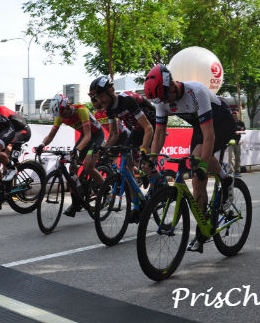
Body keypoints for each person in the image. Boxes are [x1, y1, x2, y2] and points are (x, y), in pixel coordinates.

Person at [144, 64, 237, 252]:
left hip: (221, 122)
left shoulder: (196, 92)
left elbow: (209, 135)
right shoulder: (161, 99)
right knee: (197, 173)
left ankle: (225, 180)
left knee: (198, 168)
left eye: (166, 97)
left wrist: (202, 166)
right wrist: (151, 161)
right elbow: (159, 134)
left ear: (172, 85)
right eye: (161, 100)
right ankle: (204, 226)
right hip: (200, 125)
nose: (166, 103)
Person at [89, 75, 157, 222]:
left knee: (147, 163)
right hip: (137, 129)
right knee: (126, 166)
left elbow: (148, 128)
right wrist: (103, 149)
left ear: (111, 91)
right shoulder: (109, 109)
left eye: (101, 96)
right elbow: (113, 134)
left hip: (152, 126)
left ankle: (159, 185)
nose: (100, 101)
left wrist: (144, 149)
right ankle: (138, 204)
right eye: (97, 98)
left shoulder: (127, 101)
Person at [36, 93, 106, 217]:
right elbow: (51, 136)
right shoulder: (60, 116)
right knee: (72, 169)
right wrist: (42, 145)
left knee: (88, 165)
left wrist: (77, 150)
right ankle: (76, 202)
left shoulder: (81, 110)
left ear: (68, 106)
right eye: (60, 115)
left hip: (96, 135)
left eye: (63, 113)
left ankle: (106, 189)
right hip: (85, 137)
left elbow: (88, 135)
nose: (62, 116)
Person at [0, 91, 32, 156]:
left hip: (23, 131)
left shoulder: (2, 110)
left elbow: (0, 131)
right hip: (13, 131)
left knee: (6, 145)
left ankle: (9, 161)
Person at [228, 109, 245, 177]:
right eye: (234, 114)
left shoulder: (241, 123)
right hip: (230, 141)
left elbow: (243, 131)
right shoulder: (229, 122)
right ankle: (231, 172)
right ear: (232, 115)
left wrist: (239, 132)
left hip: (238, 141)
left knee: (238, 157)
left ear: (238, 114)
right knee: (231, 158)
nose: (235, 115)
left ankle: (237, 172)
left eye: (236, 114)